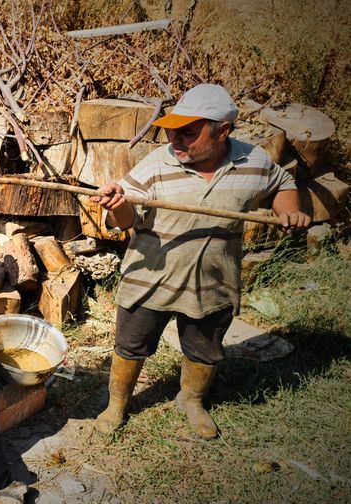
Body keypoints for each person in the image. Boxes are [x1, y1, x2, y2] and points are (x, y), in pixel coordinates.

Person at [89, 84, 311, 439]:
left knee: (204, 350)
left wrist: (291, 210)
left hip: (213, 281)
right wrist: (118, 207)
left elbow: (282, 184)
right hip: (150, 278)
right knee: (130, 345)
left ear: (222, 131)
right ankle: (117, 404)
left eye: (188, 133)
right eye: (172, 131)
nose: (176, 140)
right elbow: (127, 220)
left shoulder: (251, 161)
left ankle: (192, 400)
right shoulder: (158, 163)